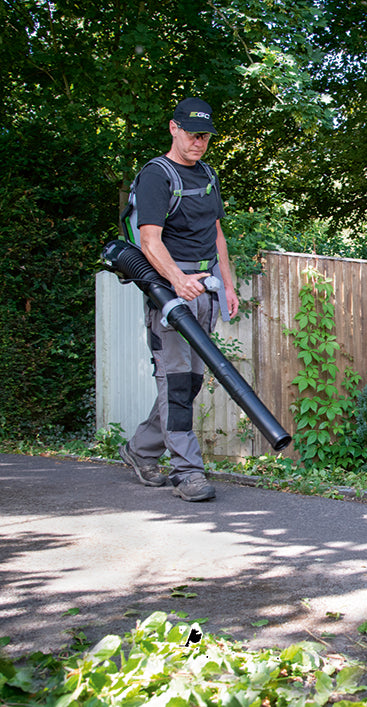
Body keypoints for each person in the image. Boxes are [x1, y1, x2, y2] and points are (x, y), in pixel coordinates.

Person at [119, 97, 240, 501]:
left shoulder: (206, 173)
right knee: (173, 380)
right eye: (192, 134)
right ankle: (187, 472)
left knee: (188, 383)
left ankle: (139, 451)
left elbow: (217, 233)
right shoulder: (157, 175)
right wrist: (176, 279)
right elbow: (149, 240)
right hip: (170, 293)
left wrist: (229, 283)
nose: (199, 142)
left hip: (205, 291)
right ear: (174, 128)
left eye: (205, 136)